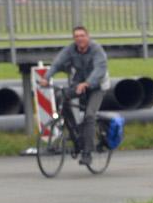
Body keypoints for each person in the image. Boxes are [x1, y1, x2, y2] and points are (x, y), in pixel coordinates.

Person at [44, 25, 109, 161]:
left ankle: (87, 152)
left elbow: (99, 69)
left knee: (89, 116)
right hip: (79, 83)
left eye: (82, 36)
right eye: (76, 36)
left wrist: (87, 83)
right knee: (61, 96)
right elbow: (57, 63)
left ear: (88, 37)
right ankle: (76, 133)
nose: (79, 39)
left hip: (97, 85)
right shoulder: (70, 49)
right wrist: (46, 77)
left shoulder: (97, 50)